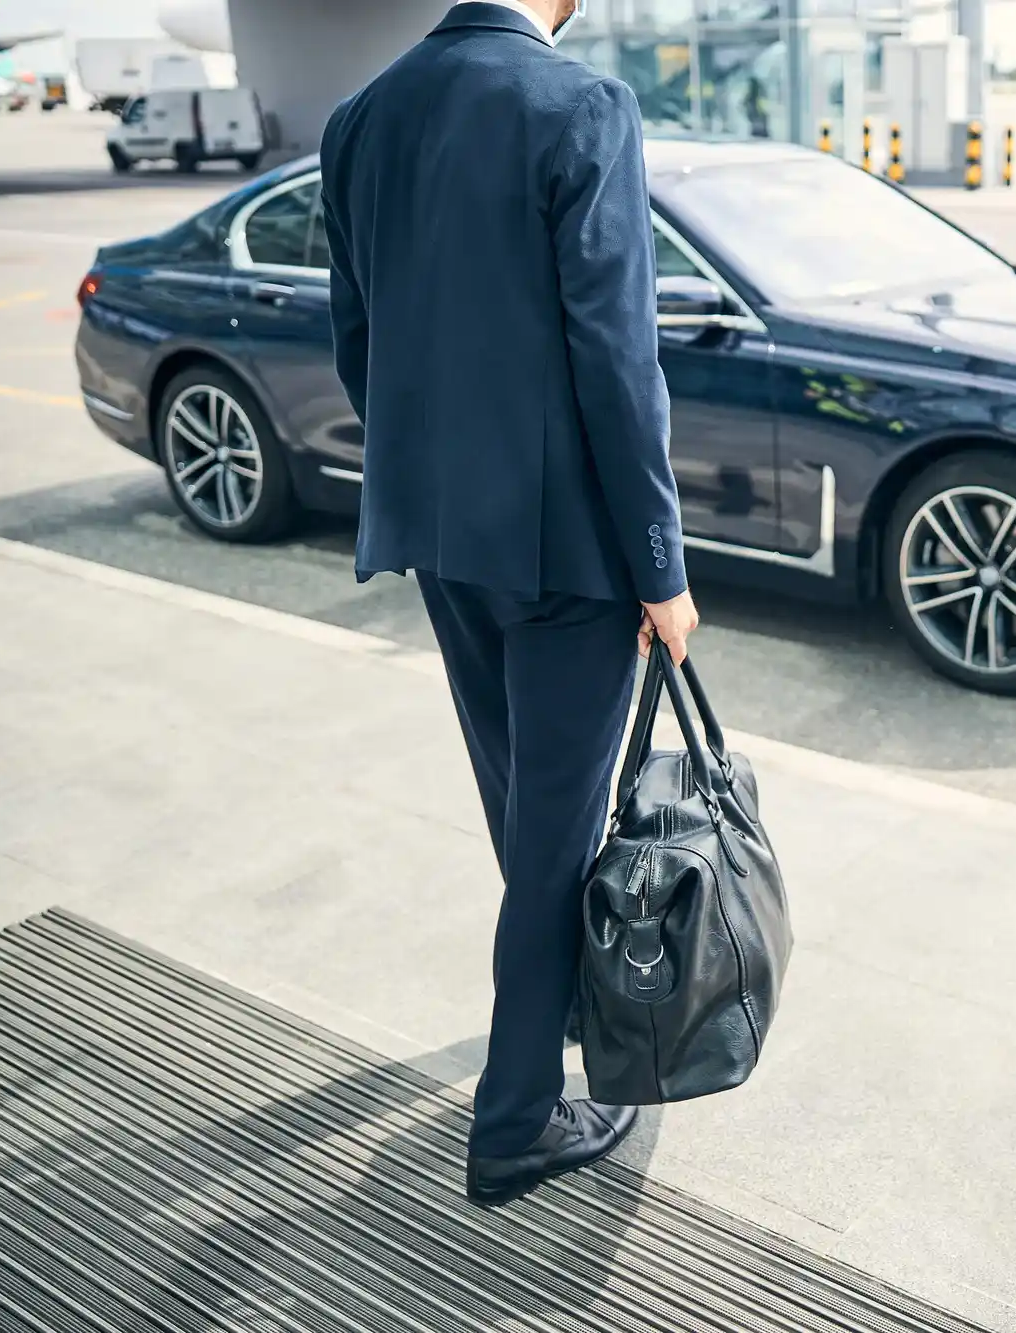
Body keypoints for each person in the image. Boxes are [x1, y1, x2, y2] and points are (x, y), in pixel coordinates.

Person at [318, 0, 699, 1207]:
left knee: (527, 818)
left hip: (445, 540)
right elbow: (617, 359)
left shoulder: (360, 117)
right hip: (570, 556)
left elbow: (357, 340)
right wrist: (662, 566)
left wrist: (434, 489)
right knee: (550, 842)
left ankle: (556, 1017)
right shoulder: (581, 108)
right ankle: (515, 1120)